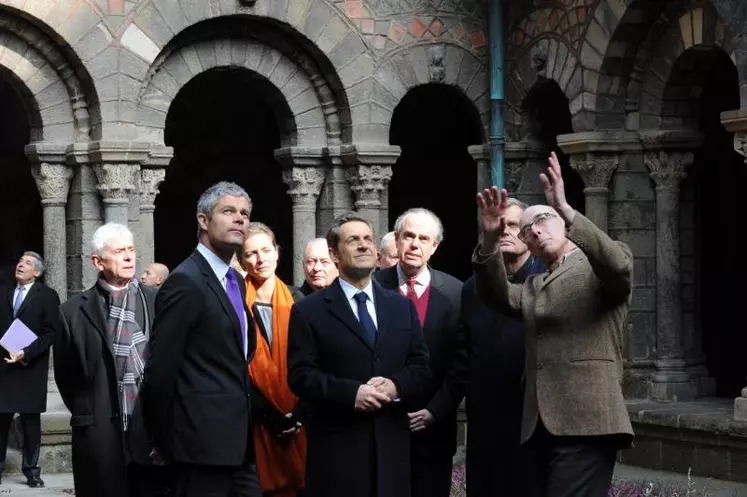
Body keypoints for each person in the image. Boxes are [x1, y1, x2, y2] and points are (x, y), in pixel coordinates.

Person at [473, 152, 634, 497]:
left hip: (587, 420)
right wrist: (488, 239)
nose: (534, 231)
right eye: (527, 230)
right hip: (538, 425)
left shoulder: (599, 265)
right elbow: (497, 296)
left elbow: (619, 268)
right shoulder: (533, 285)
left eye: (543, 219)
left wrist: (565, 208)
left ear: (563, 221)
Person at [287, 213, 430, 497]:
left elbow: (421, 366)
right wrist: (352, 393)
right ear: (334, 253)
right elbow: (301, 376)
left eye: (367, 239)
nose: (364, 246)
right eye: (353, 240)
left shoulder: (400, 307)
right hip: (338, 457)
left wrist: (395, 386)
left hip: (392, 455)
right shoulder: (309, 310)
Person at [140, 181, 261, 497]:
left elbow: (233, 362)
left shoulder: (233, 279)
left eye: (245, 214)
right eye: (229, 211)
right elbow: (160, 371)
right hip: (199, 447)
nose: (240, 219)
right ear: (203, 221)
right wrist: (162, 441)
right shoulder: (185, 282)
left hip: (239, 445)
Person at [55, 224, 167, 497]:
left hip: (152, 434)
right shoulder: (72, 312)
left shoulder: (157, 301)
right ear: (98, 261)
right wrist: (93, 410)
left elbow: (169, 366)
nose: (129, 257)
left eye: (130, 249)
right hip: (100, 435)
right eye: (119, 251)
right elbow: (66, 378)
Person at [373, 208, 466, 497]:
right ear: (397, 240)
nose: (415, 244)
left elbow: (460, 363)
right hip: (381, 424)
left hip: (433, 429)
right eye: (409, 236)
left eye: (423, 238)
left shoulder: (455, 292)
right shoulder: (372, 286)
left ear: (434, 247)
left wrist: (434, 411)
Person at [462, 198, 545, 497]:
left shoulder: (546, 283)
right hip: (485, 422)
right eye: (499, 226)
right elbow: (464, 353)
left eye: (512, 225)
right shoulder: (471, 289)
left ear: (530, 233)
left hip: (530, 422)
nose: (505, 232)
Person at [240, 222, 306, 497]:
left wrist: (298, 414)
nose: (260, 259)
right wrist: (269, 414)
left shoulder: (298, 300)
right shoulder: (235, 302)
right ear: (241, 260)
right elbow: (236, 365)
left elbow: (311, 360)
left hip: (301, 417)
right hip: (255, 422)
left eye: (266, 250)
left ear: (277, 252)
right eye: (251, 253)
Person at [0, 252, 59, 488]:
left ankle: (32, 471)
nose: (20, 265)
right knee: (0, 420)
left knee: (30, 423)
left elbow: (51, 332)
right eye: (20, 261)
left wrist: (26, 352)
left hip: (30, 367)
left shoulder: (47, 296)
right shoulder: (4, 291)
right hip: (3, 366)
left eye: (27, 264)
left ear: (37, 272)